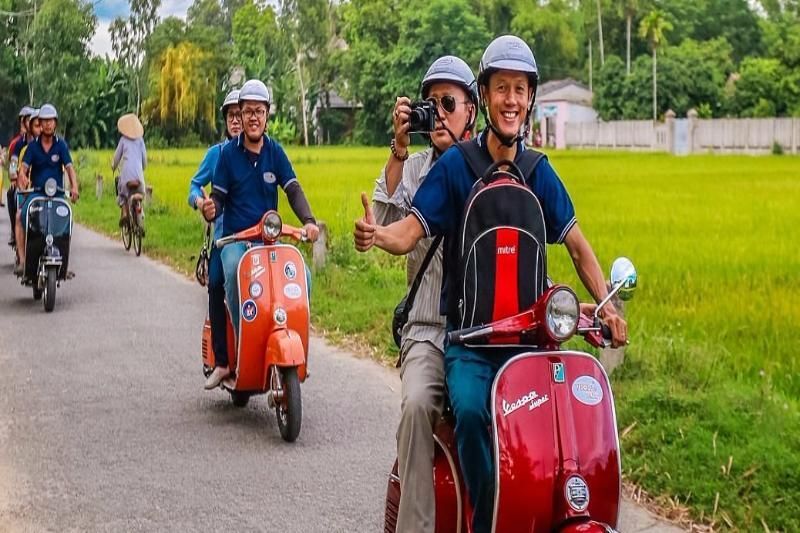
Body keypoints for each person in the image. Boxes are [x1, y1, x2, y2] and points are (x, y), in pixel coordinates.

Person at [354, 36, 627, 533]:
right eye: (502, 87)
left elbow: (579, 247)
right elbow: (409, 231)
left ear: (530, 99)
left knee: (557, 425)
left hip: (528, 342)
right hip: (471, 343)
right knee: (476, 413)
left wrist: (606, 303)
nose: (512, 100)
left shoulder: (538, 171)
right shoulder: (457, 167)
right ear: (487, 95)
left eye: (520, 90)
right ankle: (486, 521)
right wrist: (378, 235)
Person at [367, 55, 477, 533]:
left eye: (448, 103)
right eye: (429, 105)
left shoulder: (494, 168)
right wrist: (397, 143)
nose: (438, 114)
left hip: (483, 331)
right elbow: (384, 226)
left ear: (473, 110)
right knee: (415, 406)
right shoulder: (413, 169)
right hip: (430, 328)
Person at [201, 79, 320, 390]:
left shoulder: (275, 152)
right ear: (239, 114)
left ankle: (295, 347)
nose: (253, 117)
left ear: (268, 115)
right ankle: (242, 350)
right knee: (230, 272)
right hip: (237, 243)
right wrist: (210, 208)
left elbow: (292, 188)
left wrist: (309, 220)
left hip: (269, 243)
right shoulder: (227, 155)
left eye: (259, 111)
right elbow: (219, 197)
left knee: (303, 278)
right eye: (247, 111)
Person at [187, 88, 242, 380]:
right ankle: (222, 361)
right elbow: (193, 186)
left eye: (240, 115)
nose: (236, 122)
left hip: (256, 239)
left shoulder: (260, 153)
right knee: (217, 283)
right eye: (231, 116)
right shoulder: (217, 154)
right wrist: (200, 202)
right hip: (224, 240)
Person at [16, 104, 79, 273]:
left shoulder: (61, 145)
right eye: (44, 121)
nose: (48, 124)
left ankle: (64, 263)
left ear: (55, 123)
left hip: (57, 194)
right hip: (36, 193)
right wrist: (22, 177)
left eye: (51, 121)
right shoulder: (33, 147)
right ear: (40, 124)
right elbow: (23, 168)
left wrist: (74, 187)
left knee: (67, 221)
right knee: (19, 217)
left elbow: (70, 168)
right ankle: (22, 260)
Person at [112, 113, 147, 227]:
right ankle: (140, 216)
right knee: (140, 193)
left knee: (122, 194)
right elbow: (144, 160)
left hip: (126, 175)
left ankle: (125, 214)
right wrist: (142, 169)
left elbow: (117, 158)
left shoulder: (123, 140)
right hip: (139, 176)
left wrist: (113, 166)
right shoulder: (141, 141)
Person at [7, 106, 34, 242]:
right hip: (22, 181)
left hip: (37, 181)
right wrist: (13, 178)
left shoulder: (42, 142)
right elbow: (13, 162)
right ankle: (14, 230)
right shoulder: (17, 144)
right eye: (27, 121)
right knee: (11, 194)